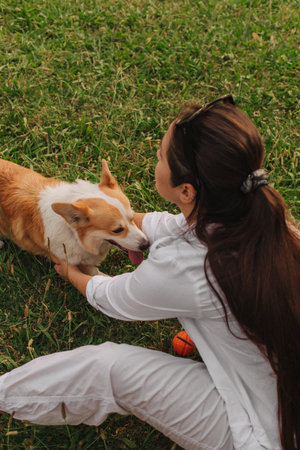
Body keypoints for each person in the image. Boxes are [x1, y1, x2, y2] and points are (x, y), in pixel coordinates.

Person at [0, 95, 299, 449]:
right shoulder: (270, 220)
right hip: (282, 388)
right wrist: (110, 215)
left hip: (264, 433)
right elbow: (166, 225)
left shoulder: (186, 267)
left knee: (108, 366)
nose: (156, 160)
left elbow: (110, 297)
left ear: (185, 190)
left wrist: (69, 268)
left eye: (159, 156)